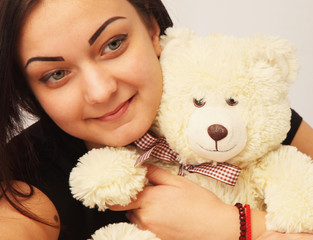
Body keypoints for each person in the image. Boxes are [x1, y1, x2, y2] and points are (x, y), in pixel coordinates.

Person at [0, 0, 312, 239]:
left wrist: (234, 226)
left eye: (113, 44)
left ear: (151, 29)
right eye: (56, 74)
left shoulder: (242, 108)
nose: (101, 91)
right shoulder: (29, 183)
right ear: (30, 92)